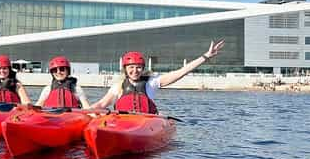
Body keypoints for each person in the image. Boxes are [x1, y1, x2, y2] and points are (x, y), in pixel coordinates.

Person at [91, 39, 225, 113]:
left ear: (143, 69)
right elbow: (102, 103)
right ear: (125, 69)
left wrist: (205, 57)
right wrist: (85, 112)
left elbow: (181, 72)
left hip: (145, 122)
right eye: (131, 67)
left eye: (138, 67)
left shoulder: (152, 82)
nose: (135, 71)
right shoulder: (118, 87)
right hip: (122, 122)